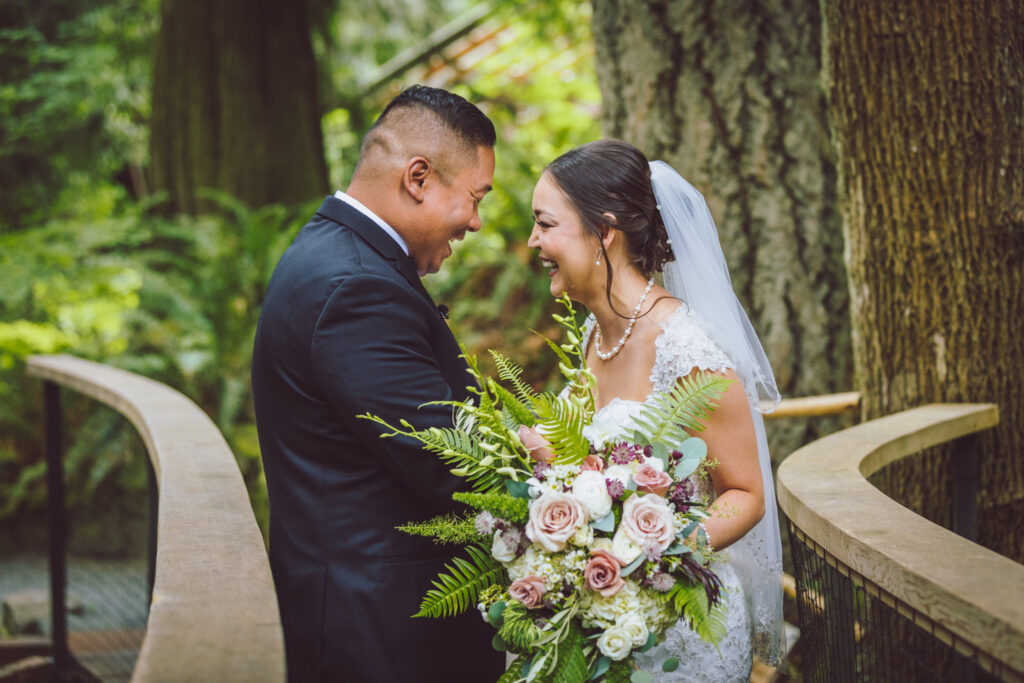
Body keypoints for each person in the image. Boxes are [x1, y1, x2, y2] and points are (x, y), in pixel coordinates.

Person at [251, 85, 504, 682]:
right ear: (419, 177)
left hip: (360, 603)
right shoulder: (357, 288)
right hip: (379, 628)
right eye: (474, 197)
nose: (475, 220)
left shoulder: (333, 253)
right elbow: (452, 463)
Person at [524, 140, 786, 680]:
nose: (534, 242)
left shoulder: (688, 348)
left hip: (684, 631)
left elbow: (748, 496)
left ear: (604, 232)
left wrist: (646, 552)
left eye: (545, 224)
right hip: (608, 624)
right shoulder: (595, 335)